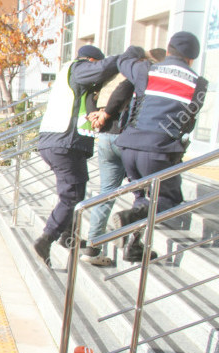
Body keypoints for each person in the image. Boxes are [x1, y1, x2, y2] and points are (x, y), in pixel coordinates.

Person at [111, 32, 208, 261]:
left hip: (130, 148)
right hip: (159, 150)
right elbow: (188, 122)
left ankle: (134, 246)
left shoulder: (148, 70)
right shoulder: (198, 84)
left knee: (143, 198)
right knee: (168, 200)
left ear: (168, 49)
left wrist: (135, 50)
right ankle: (130, 219)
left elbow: (122, 62)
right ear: (192, 59)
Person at [33, 44, 119, 267]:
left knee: (77, 190)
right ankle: (47, 238)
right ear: (91, 61)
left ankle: (68, 236)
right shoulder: (80, 68)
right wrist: (125, 58)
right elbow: (101, 70)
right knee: (72, 195)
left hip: (60, 141)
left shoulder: (68, 74)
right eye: (96, 65)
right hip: (64, 142)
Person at [81, 48, 166, 266]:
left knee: (106, 192)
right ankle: (134, 243)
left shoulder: (109, 74)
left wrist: (96, 115)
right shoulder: (139, 73)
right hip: (126, 139)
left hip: (106, 138)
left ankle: (93, 245)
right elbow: (122, 91)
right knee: (143, 194)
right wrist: (107, 114)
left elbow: (92, 94)